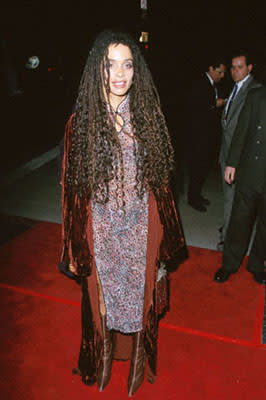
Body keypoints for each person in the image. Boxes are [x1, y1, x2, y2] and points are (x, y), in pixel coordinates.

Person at [59, 30, 186, 396]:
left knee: (139, 299)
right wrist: (72, 245)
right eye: (110, 64)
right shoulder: (80, 125)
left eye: (127, 64)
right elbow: (70, 192)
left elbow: (162, 184)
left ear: (136, 71)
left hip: (139, 227)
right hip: (100, 230)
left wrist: (166, 234)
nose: (119, 73)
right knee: (104, 302)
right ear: (96, 70)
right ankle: (104, 356)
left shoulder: (147, 117)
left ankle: (137, 361)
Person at [214, 86, 266, 284]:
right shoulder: (257, 96)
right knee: (239, 220)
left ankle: (257, 264)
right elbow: (241, 130)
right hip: (251, 170)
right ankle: (229, 264)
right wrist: (232, 163)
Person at [217, 53, 261, 250]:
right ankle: (227, 229)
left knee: (236, 201)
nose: (235, 71)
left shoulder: (255, 90)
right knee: (229, 198)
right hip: (226, 152)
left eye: (240, 67)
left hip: (241, 157)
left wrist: (236, 160)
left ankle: (228, 240)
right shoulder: (236, 87)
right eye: (233, 67)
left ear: (250, 67)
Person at [187, 59, 226, 212]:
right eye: (220, 72)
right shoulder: (200, 82)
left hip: (207, 134)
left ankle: (197, 194)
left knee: (203, 167)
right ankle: (193, 198)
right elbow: (193, 106)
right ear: (211, 68)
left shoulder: (213, 85)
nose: (222, 75)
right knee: (197, 167)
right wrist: (213, 104)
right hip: (198, 135)